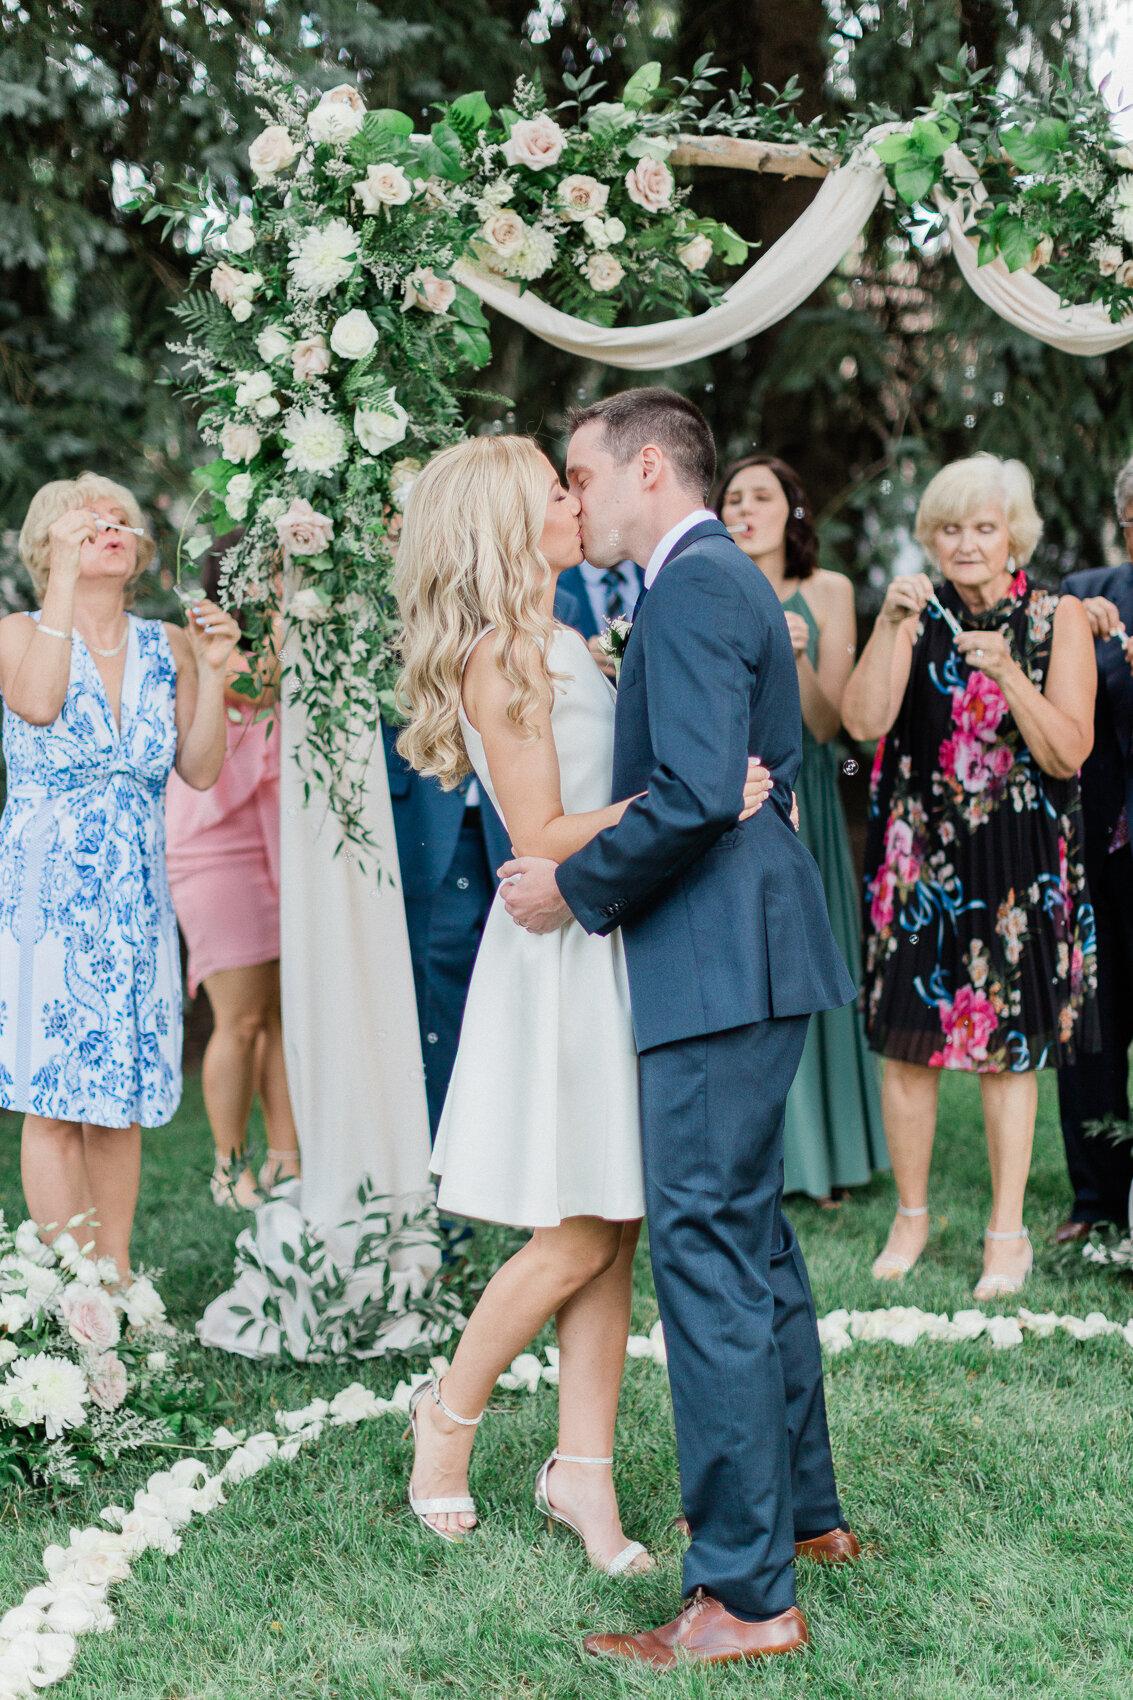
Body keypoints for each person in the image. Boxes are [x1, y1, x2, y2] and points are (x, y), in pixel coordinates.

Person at [502, 388, 859, 1667]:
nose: (576, 500)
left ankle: (744, 1595)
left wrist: (573, 885)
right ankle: (804, 1518)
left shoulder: (697, 584)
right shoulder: (708, 580)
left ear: (644, 466)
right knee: (750, 1241)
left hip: (713, 958)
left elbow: (702, 790)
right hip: (741, 954)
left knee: (706, 1256)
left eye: (582, 477)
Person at [393, 432, 773, 1577]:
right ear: (509, 521)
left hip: (607, 942)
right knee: (569, 1233)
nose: (575, 501)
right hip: (557, 954)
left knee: (612, 1219)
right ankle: (446, 1418)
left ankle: (582, 1478)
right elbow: (542, 836)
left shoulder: (559, 638)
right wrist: (694, 798)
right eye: (552, 491)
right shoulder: (496, 656)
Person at [842, 453, 1098, 1298]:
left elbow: (1068, 752)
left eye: (982, 527)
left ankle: (1005, 1234)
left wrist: (1009, 676)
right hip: (921, 852)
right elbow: (859, 723)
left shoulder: (1055, 616)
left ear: (1012, 535)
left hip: (1018, 859)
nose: (964, 543)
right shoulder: (913, 610)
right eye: (948, 528)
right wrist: (886, 627)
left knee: (1007, 1052)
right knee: (907, 1047)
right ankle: (909, 1218)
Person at [0, 473, 238, 1276]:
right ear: (48, 543)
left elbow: (200, 770)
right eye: (88, 519)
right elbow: (36, 704)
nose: (111, 527)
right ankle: (71, 1294)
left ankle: (119, 1281)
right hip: (45, 893)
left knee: (117, 1100)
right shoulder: (15, 633)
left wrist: (212, 670)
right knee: (54, 1097)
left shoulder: (165, 645)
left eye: (122, 520)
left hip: (135, 892)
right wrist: (63, 586)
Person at [714, 453, 887, 1203]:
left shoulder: (829, 591)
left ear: (793, 509)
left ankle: (827, 1160)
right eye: (729, 498)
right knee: (744, 971)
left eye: (759, 496)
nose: (741, 510)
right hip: (728, 795)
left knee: (805, 963)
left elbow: (833, 726)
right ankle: (755, 1158)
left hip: (806, 793)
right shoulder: (709, 586)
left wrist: (795, 660)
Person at [383, 580, 587, 1139]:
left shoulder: (560, 605)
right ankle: (440, 1162)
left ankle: (516, 1144)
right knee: (436, 994)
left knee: (523, 991)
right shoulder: (402, 597)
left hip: (518, 831)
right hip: (430, 820)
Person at [165, 548, 300, 1209]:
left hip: (269, 841)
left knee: (276, 1014)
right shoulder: (207, 647)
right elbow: (270, 683)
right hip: (214, 849)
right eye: (273, 569)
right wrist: (287, 597)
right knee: (239, 1017)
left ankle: (285, 1158)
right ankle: (227, 1168)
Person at [1055, 455, 1133, 1239]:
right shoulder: (1085, 592)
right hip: (1089, 850)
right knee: (1090, 1032)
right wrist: (1072, 633)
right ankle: (1094, 1201)